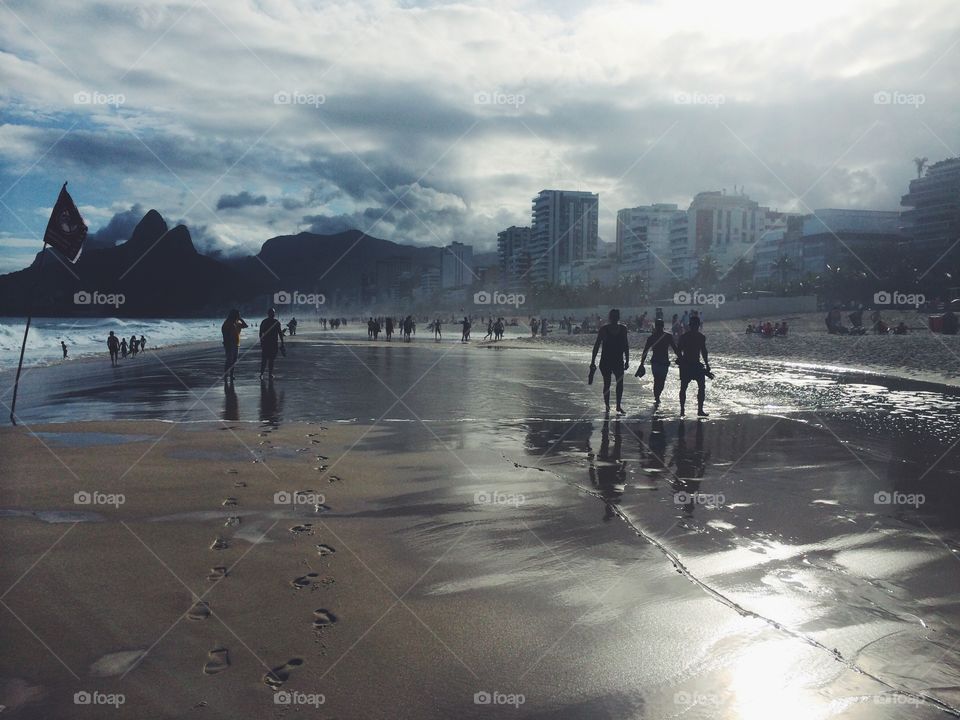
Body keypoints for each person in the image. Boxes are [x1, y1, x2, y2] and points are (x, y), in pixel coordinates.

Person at [590, 308, 629, 414]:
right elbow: (597, 346)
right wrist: (592, 361)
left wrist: (627, 360)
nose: (615, 318)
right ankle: (607, 406)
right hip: (606, 361)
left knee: (619, 383)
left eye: (616, 316)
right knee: (607, 384)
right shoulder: (604, 329)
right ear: (611, 317)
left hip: (618, 360)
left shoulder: (623, 329)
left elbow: (626, 345)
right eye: (614, 316)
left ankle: (618, 406)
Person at [638, 318, 678, 406]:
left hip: (661, 362)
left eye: (660, 326)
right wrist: (641, 363)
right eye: (658, 326)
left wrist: (681, 359)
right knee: (658, 380)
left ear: (662, 326)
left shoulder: (664, 337)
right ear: (656, 327)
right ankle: (657, 397)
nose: (659, 328)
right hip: (657, 362)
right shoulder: (655, 337)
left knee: (660, 381)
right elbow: (645, 351)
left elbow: (675, 349)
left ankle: (657, 396)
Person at [676, 315, 711, 417]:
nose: (695, 327)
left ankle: (686, 411)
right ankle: (690, 410)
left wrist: (707, 364)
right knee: (690, 388)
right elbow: (704, 352)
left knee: (690, 388)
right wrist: (707, 364)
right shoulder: (699, 337)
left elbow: (678, 351)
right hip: (692, 365)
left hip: (690, 365)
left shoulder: (685, 337)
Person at [221, 309, 247, 382]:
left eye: (239, 314)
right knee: (229, 360)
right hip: (229, 344)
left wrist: (240, 319)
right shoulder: (227, 323)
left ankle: (231, 375)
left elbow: (245, 326)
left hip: (236, 344)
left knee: (234, 360)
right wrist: (226, 343)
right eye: (238, 314)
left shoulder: (237, 322)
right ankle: (226, 375)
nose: (239, 316)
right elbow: (224, 334)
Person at [259, 308, 285, 379]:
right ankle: (264, 374)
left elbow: (280, 333)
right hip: (269, 343)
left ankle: (265, 374)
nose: (272, 314)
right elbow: (260, 333)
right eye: (272, 313)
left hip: (271, 343)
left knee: (269, 359)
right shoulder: (275, 322)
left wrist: (282, 342)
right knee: (267, 360)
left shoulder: (266, 321)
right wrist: (282, 343)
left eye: (273, 313)